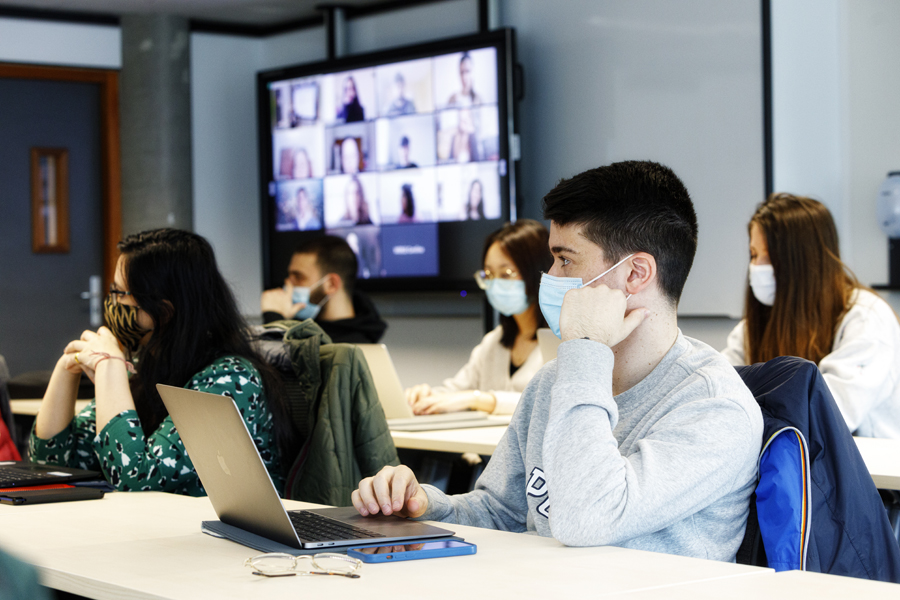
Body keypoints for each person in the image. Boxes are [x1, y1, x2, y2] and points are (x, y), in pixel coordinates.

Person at [351, 161, 763, 562]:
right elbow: (502, 512)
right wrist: (425, 506)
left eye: (565, 259)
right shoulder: (554, 381)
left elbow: (588, 519)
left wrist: (586, 347)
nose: (549, 276)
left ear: (636, 274)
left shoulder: (714, 408)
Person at [30, 229, 292, 496]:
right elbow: (50, 466)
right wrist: (67, 367)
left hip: (227, 537)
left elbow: (135, 479)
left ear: (164, 310)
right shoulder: (148, 367)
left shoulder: (231, 380)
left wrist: (111, 367)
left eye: (121, 293)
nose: (113, 303)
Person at [721, 193, 900, 439]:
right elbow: (718, 388)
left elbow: (830, 416)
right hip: (790, 464)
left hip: (872, 472)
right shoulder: (752, 327)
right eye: (753, 255)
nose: (757, 267)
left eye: (770, 257)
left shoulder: (866, 318)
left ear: (804, 263)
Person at [406, 220, 550, 415]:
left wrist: (478, 398)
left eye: (507, 274)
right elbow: (456, 392)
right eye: (489, 274)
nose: (495, 283)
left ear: (536, 273)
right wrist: (426, 395)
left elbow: (548, 403)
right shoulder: (494, 342)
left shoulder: (560, 342)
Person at [260, 235, 387, 343]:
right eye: (289, 277)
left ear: (331, 284)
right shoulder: (300, 331)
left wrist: (274, 320)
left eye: (298, 277)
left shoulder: (355, 347)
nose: (288, 285)